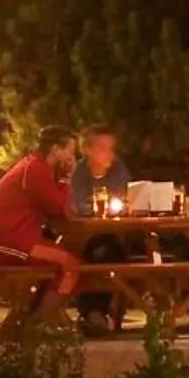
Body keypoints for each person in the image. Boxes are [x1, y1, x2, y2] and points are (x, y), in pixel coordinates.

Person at [0, 125, 82, 310]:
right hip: (8, 243)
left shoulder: (34, 166)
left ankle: (29, 320)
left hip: (13, 240)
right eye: (70, 152)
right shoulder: (36, 170)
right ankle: (39, 324)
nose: (72, 158)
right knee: (70, 265)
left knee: (64, 260)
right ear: (56, 150)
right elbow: (59, 211)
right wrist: (66, 177)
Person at [69, 125, 134, 334]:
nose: (109, 153)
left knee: (109, 253)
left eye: (111, 148)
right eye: (102, 148)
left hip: (116, 234)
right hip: (86, 236)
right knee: (90, 255)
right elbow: (77, 205)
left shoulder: (118, 169)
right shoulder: (79, 173)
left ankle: (94, 314)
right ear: (87, 149)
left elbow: (126, 198)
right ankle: (93, 313)